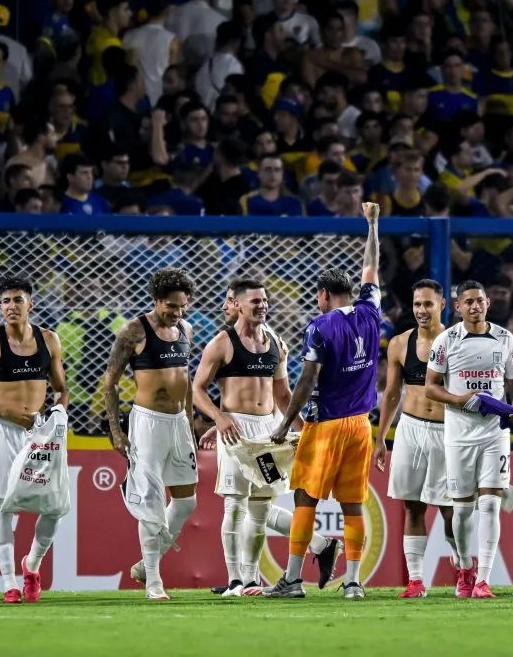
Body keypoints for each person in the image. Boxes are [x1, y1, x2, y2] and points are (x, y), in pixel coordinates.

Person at [193, 279, 340, 597]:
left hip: (268, 433)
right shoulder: (222, 343)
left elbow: (283, 395)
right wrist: (219, 418)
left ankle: (249, 581)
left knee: (260, 508)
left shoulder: (276, 343)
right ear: (238, 305)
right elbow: (197, 390)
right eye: (255, 301)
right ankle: (235, 579)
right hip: (236, 434)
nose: (262, 306)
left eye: (265, 300)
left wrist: (304, 430)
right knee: (234, 506)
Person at [266, 203, 381, 600]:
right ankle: (353, 583)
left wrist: (285, 423)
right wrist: (372, 224)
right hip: (361, 425)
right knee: (353, 505)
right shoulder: (371, 311)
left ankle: (292, 580)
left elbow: (307, 379)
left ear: (323, 296)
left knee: (305, 499)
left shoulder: (320, 326)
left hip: (327, 423)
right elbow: (371, 266)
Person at [0, 275, 69, 604]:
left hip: (40, 431)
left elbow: (61, 389)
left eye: (17, 300)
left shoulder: (49, 339)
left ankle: (32, 566)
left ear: (30, 304)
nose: (11, 306)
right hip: (1, 430)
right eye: (5, 301)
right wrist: (3, 410)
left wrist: (58, 416)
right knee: (2, 506)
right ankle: (9, 583)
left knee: (54, 505)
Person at [425, 280, 513, 599]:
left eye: (479, 300)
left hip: (495, 434)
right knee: (463, 510)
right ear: (457, 307)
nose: (475, 306)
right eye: (468, 302)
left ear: (487, 303)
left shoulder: (504, 338)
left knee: (491, 505)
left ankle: (483, 580)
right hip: (459, 435)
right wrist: (459, 399)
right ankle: (465, 568)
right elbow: (430, 386)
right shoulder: (446, 340)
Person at [105, 268, 198, 600]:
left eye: (183, 306)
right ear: (157, 301)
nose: (178, 313)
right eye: (172, 306)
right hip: (148, 424)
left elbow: (186, 382)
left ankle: (147, 563)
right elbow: (110, 383)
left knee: (186, 502)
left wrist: (190, 425)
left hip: (178, 423)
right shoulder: (133, 331)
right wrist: (116, 432)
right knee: (151, 503)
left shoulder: (186, 329)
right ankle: (154, 582)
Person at [373, 279, 457, 598]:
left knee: (451, 509)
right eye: (417, 304)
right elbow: (392, 393)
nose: (421, 310)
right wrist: (381, 438)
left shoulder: (457, 341)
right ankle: (417, 580)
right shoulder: (399, 343)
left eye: (428, 304)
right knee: (413, 506)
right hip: (410, 428)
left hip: (447, 431)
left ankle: (463, 564)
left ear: (442, 305)